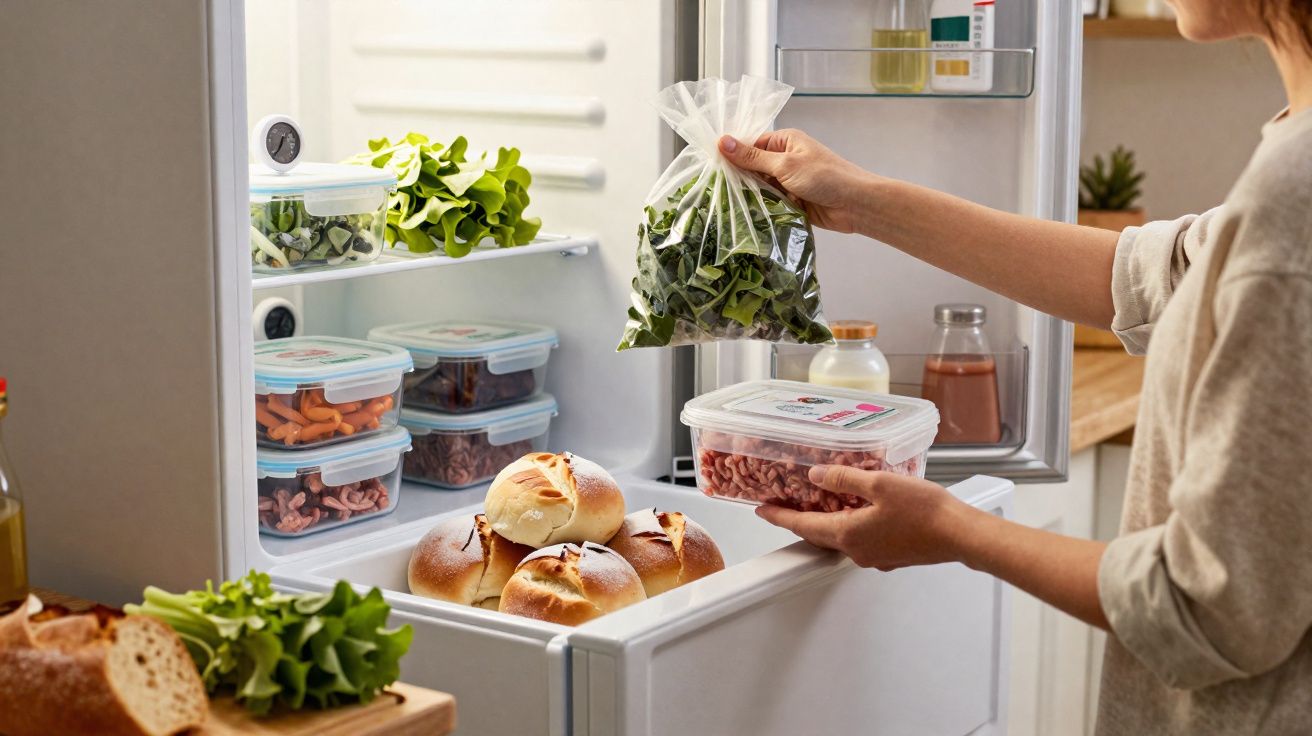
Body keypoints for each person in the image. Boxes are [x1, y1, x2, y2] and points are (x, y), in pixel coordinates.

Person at [722, 0, 1312, 732]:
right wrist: (861, 202)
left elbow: (1210, 605)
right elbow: (1152, 275)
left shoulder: (1295, 199)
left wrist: (952, 530)